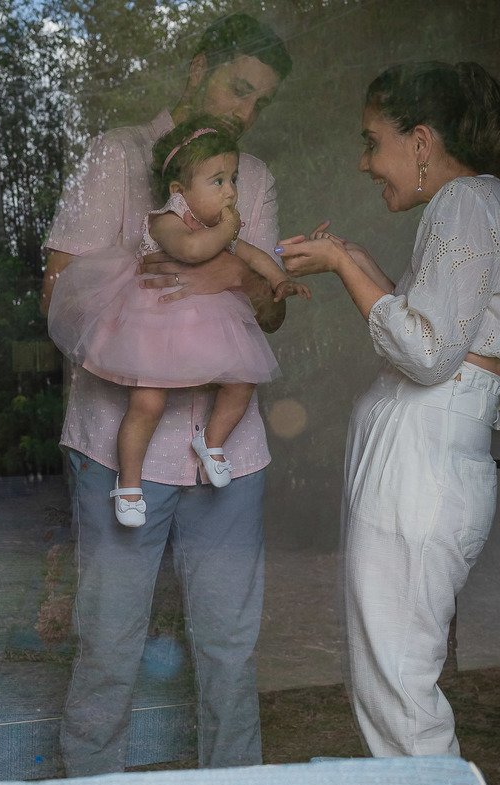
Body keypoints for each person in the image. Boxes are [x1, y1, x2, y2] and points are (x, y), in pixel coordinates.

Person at [275, 61, 500, 757]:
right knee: (397, 686)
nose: (364, 161)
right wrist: (349, 255)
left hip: (420, 458)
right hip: (435, 452)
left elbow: (427, 350)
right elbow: (433, 328)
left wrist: (346, 269)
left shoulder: (463, 203)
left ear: (422, 140)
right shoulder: (487, 203)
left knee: (397, 695)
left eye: (373, 140)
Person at [39, 13, 293, 776]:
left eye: (261, 102)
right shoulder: (115, 155)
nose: (246, 115)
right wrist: (202, 279)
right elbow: (58, 294)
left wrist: (201, 275)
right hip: (121, 440)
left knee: (228, 647)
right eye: (238, 89)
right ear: (196, 68)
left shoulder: (255, 179)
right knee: (111, 640)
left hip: (229, 451)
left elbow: (271, 303)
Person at [48, 117, 310, 527]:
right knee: (147, 403)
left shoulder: (220, 229)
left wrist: (279, 279)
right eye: (218, 181)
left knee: (241, 383)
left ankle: (212, 441)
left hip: (203, 330)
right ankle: (130, 483)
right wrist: (226, 232)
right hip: (157, 329)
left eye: (233, 179)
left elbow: (255, 256)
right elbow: (190, 250)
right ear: (179, 191)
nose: (230, 192)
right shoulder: (166, 219)